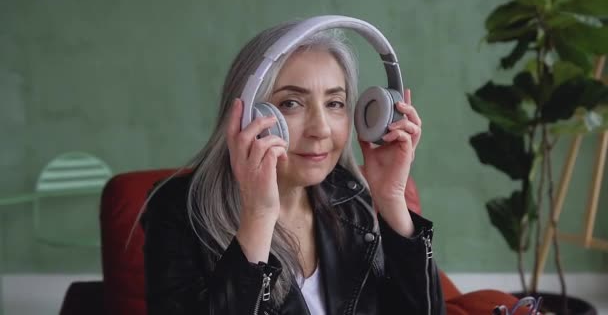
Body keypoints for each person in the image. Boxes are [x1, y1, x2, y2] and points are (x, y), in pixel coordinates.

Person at [140, 17, 445, 315]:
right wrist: (258, 216)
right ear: (248, 116)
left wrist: (391, 199)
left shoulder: (350, 196)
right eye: (291, 103)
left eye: (334, 103)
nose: (321, 129)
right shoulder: (178, 210)